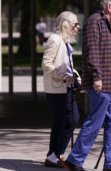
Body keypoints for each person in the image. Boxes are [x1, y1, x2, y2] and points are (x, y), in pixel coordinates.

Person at [62, 0, 111, 171]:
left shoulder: (107, 24)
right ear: (109, 7)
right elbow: (91, 52)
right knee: (95, 121)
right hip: (102, 82)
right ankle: (74, 161)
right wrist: (96, 77)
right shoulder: (94, 22)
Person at [42, 11, 80, 168]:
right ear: (66, 25)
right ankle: (53, 156)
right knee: (64, 121)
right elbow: (46, 64)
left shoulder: (64, 41)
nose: (78, 27)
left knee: (70, 120)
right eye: (76, 24)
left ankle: (54, 154)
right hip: (57, 89)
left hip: (66, 87)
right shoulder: (55, 40)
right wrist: (63, 77)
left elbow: (67, 65)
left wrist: (76, 76)